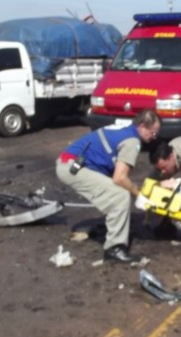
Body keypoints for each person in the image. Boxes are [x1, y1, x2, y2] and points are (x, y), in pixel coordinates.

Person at [56, 109, 161, 263]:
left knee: (115, 191)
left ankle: (111, 229)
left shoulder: (124, 129)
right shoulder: (133, 141)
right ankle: (114, 249)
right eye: (153, 132)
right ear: (143, 126)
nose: (154, 137)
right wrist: (138, 195)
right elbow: (119, 178)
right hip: (73, 167)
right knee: (120, 196)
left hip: (70, 162)